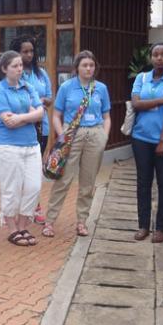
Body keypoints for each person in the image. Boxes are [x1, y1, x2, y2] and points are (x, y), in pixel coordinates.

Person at [42, 51, 111, 238]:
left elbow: (106, 116)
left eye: (91, 65)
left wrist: (104, 136)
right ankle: (49, 221)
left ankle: (82, 221)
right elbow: (56, 115)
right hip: (72, 134)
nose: (88, 68)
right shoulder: (67, 87)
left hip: (94, 133)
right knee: (63, 180)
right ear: (77, 68)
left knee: (88, 182)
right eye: (84, 65)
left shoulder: (101, 88)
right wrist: (62, 134)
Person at [130, 43, 163, 244]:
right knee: (143, 182)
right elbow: (136, 104)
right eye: (155, 54)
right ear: (151, 57)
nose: (159, 58)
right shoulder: (141, 78)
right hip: (141, 138)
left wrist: (162, 141)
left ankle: (161, 228)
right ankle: (143, 225)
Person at [0, 51, 44, 246]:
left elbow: (41, 113)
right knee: (11, 188)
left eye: (21, 65)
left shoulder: (28, 87)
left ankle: (23, 225)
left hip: (31, 145)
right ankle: (13, 229)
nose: (20, 69)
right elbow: (7, 122)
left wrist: (21, 117)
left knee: (34, 187)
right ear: (4, 69)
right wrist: (30, 115)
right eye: (15, 66)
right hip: (8, 146)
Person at [12, 37, 53, 224]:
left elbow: (49, 99)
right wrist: (37, 103)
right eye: (25, 51)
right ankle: (20, 207)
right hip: (21, 128)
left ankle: (35, 207)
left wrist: (36, 103)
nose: (29, 55)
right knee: (20, 169)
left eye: (31, 51)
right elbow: (15, 101)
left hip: (41, 126)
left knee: (35, 169)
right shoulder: (15, 74)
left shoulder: (41, 73)